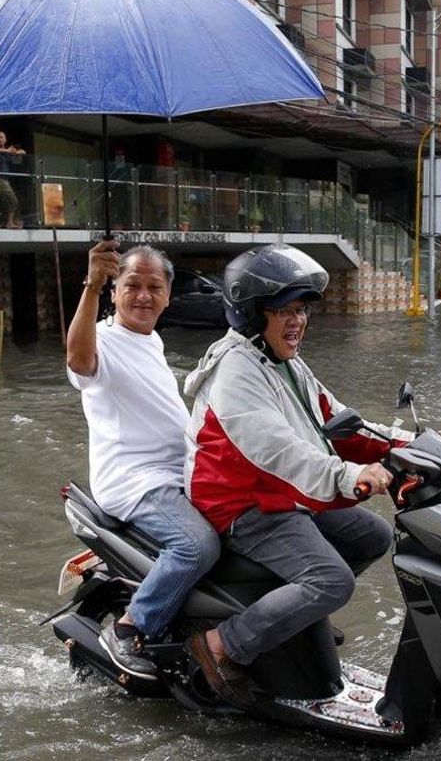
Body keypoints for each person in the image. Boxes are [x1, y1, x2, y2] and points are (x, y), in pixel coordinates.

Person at [181, 244, 412, 707]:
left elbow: (337, 420)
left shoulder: (284, 363)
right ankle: (221, 644)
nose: (298, 321)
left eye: (302, 310)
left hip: (279, 495)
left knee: (372, 536)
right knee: (331, 581)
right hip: (242, 503)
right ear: (251, 314)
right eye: (284, 310)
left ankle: (293, 615)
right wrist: (352, 477)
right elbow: (280, 452)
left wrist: (406, 447)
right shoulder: (236, 371)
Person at [67, 240, 221, 680]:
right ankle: (131, 627)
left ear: (169, 297)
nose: (143, 295)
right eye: (131, 285)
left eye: (155, 287)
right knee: (197, 546)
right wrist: (91, 285)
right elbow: (79, 360)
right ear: (115, 292)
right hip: (135, 481)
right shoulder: (105, 339)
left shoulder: (150, 340)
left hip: (179, 474)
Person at [0, 130, 25, 228]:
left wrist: (16, 151)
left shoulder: (9, 152)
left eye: (1, 137)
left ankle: (10, 222)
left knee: (13, 200)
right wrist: (8, 151)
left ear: (5, 139)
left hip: (4, 180)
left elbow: (23, 153)